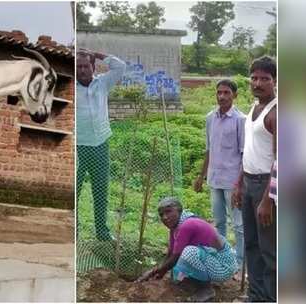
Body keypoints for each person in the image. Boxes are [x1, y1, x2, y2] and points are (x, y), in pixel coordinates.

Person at [232, 56, 277, 302]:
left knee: (269, 251)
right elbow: (249, 151)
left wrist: (268, 200)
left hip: (266, 186)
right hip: (249, 182)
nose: (258, 83)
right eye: (254, 78)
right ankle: (256, 296)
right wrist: (239, 184)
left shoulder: (276, 112)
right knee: (251, 244)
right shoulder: (254, 107)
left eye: (265, 79)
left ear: (275, 81)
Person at [137, 197, 237, 302]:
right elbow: (170, 253)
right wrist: (161, 273)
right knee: (176, 273)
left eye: (168, 211)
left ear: (179, 210)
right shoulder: (175, 227)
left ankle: (206, 289)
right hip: (211, 260)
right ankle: (197, 283)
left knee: (188, 253)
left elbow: (175, 257)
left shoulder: (188, 225)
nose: (165, 217)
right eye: (161, 215)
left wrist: (153, 272)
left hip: (224, 266)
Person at [193, 79, 245, 279]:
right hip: (214, 179)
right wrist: (201, 175)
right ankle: (225, 259)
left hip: (233, 181)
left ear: (235, 96)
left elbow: (243, 155)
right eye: (219, 92)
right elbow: (209, 149)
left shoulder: (241, 120)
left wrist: (239, 184)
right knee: (219, 221)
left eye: (226, 93)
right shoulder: (210, 118)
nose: (222, 96)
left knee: (239, 225)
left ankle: (240, 264)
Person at [76, 48, 126, 241]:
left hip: (101, 145)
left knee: (100, 190)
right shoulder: (73, 87)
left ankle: (102, 233)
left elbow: (120, 67)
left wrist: (95, 53)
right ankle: (75, 232)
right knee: (76, 192)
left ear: (93, 67)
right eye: (78, 67)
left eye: (85, 66)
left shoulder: (102, 83)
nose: (81, 70)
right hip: (79, 147)